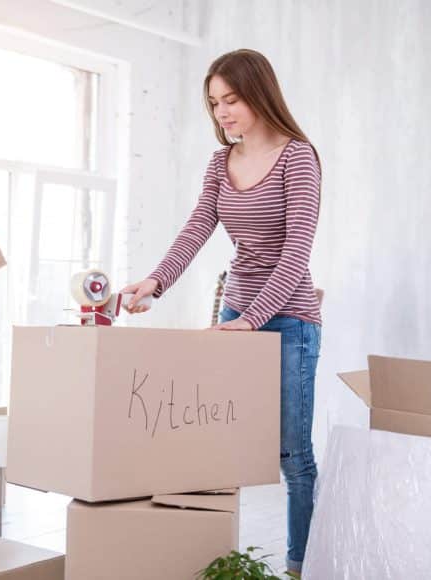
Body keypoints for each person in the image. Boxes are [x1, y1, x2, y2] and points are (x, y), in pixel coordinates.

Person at [121, 48, 322, 575]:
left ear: (259, 93)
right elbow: (197, 228)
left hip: (289, 318)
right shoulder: (219, 162)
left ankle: (301, 564)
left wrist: (249, 323)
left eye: (231, 99)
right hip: (237, 310)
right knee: (220, 443)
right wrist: (156, 281)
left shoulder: (299, 156)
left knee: (292, 457)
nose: (222, 113)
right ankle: (215, 557)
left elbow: (296, 252)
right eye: (214, 103)